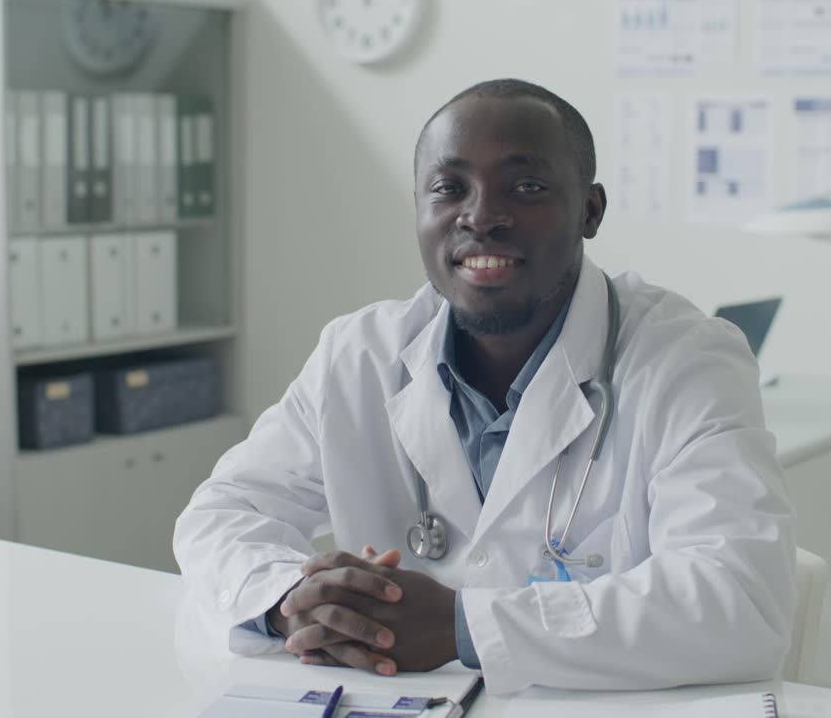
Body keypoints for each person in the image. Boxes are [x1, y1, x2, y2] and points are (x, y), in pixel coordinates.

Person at [173, 78, 795, 695]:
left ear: (590, 210)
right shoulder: (358, 355)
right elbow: (223, 513)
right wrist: (297, 602)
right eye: (448, 188)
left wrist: (464, 626)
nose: (480, 216)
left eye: (526, 187)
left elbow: (739, 598)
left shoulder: (688, 360)